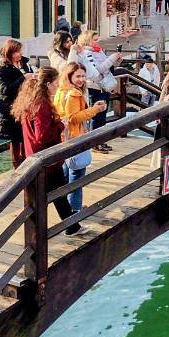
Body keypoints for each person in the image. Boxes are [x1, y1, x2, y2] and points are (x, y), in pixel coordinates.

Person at [12, 67, 77, 234]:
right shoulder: (41, 105)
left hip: (35, 155)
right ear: (48, 84)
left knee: (54, 194)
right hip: (45, 158)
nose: (57, 86)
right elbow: (42, 135)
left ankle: (70, 225)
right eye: (56, 83)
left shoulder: (31, 100)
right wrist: (60, 125)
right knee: (52, 194)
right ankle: (65, 227)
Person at [53, 62, 106, 231]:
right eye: (78, 76)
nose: (82, 79)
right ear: (70, 76)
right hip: (75, 138)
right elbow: (74, 117)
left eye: (83, 76)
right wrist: (95, 110)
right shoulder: (74, 94)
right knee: (77, 177)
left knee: (67, 175)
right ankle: (74, 216)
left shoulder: (60, 91)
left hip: (64, 138)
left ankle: (70, 211)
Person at [75, 31, 121, 153]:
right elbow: (98, 70)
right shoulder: (86, 53)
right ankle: (95, 143)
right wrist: (112, 58)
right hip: (94, 87)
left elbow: (107, 67)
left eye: (97, 39)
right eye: (95, 39)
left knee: (102, 116)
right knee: (96, 116)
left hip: (103, 87)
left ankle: (101, 140)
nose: (97, 42)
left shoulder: (98, 51)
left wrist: (115, 60)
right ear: (87, 40)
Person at [0, 39, 34, 168]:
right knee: (16, 140)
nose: (19, 54)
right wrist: (23, 78)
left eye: (20, 51)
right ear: (9, 53)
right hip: (11, 109)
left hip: (26, 106)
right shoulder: (1, 68)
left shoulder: (24, 63)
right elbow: (4, 89)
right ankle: (17, 170)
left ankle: (27, 167)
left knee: (25, 138)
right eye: (16, 51)